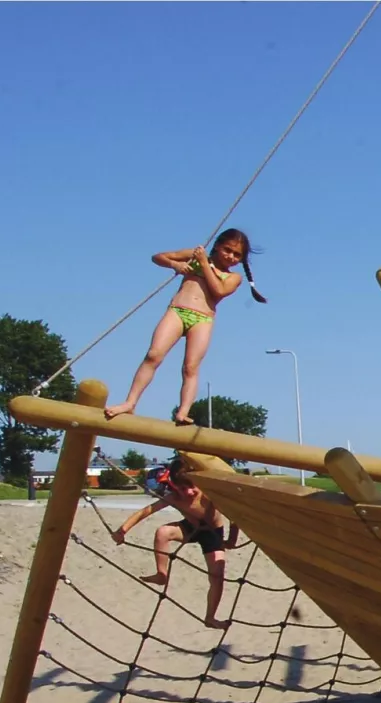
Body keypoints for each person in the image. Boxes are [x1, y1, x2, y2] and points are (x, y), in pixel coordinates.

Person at [105, 229, 267, 425]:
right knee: (153, 355)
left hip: (202, 319)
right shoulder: (195, 255)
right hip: (178, 310)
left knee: (190, 367)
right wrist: (176, 264)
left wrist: (204, 264)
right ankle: (130, 402)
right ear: (217, 245)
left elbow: (218, 290)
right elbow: (157, 257)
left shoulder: (233, 278)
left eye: (236, 255)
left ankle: (183, 411)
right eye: (228, 250)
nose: (230, 257)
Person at [112, 461, 239, 629]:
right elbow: (145, 511)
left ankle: (210, 617)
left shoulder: (209, 494)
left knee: (217, 577)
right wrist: (122, 531)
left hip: (212, 534)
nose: (188, 492)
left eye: (191, 487)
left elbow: (235, 516)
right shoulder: (174, 498)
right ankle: (161, 574)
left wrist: (232, 540)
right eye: (182, 488)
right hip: (190, 528)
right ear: (174, 486)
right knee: (163, 532)